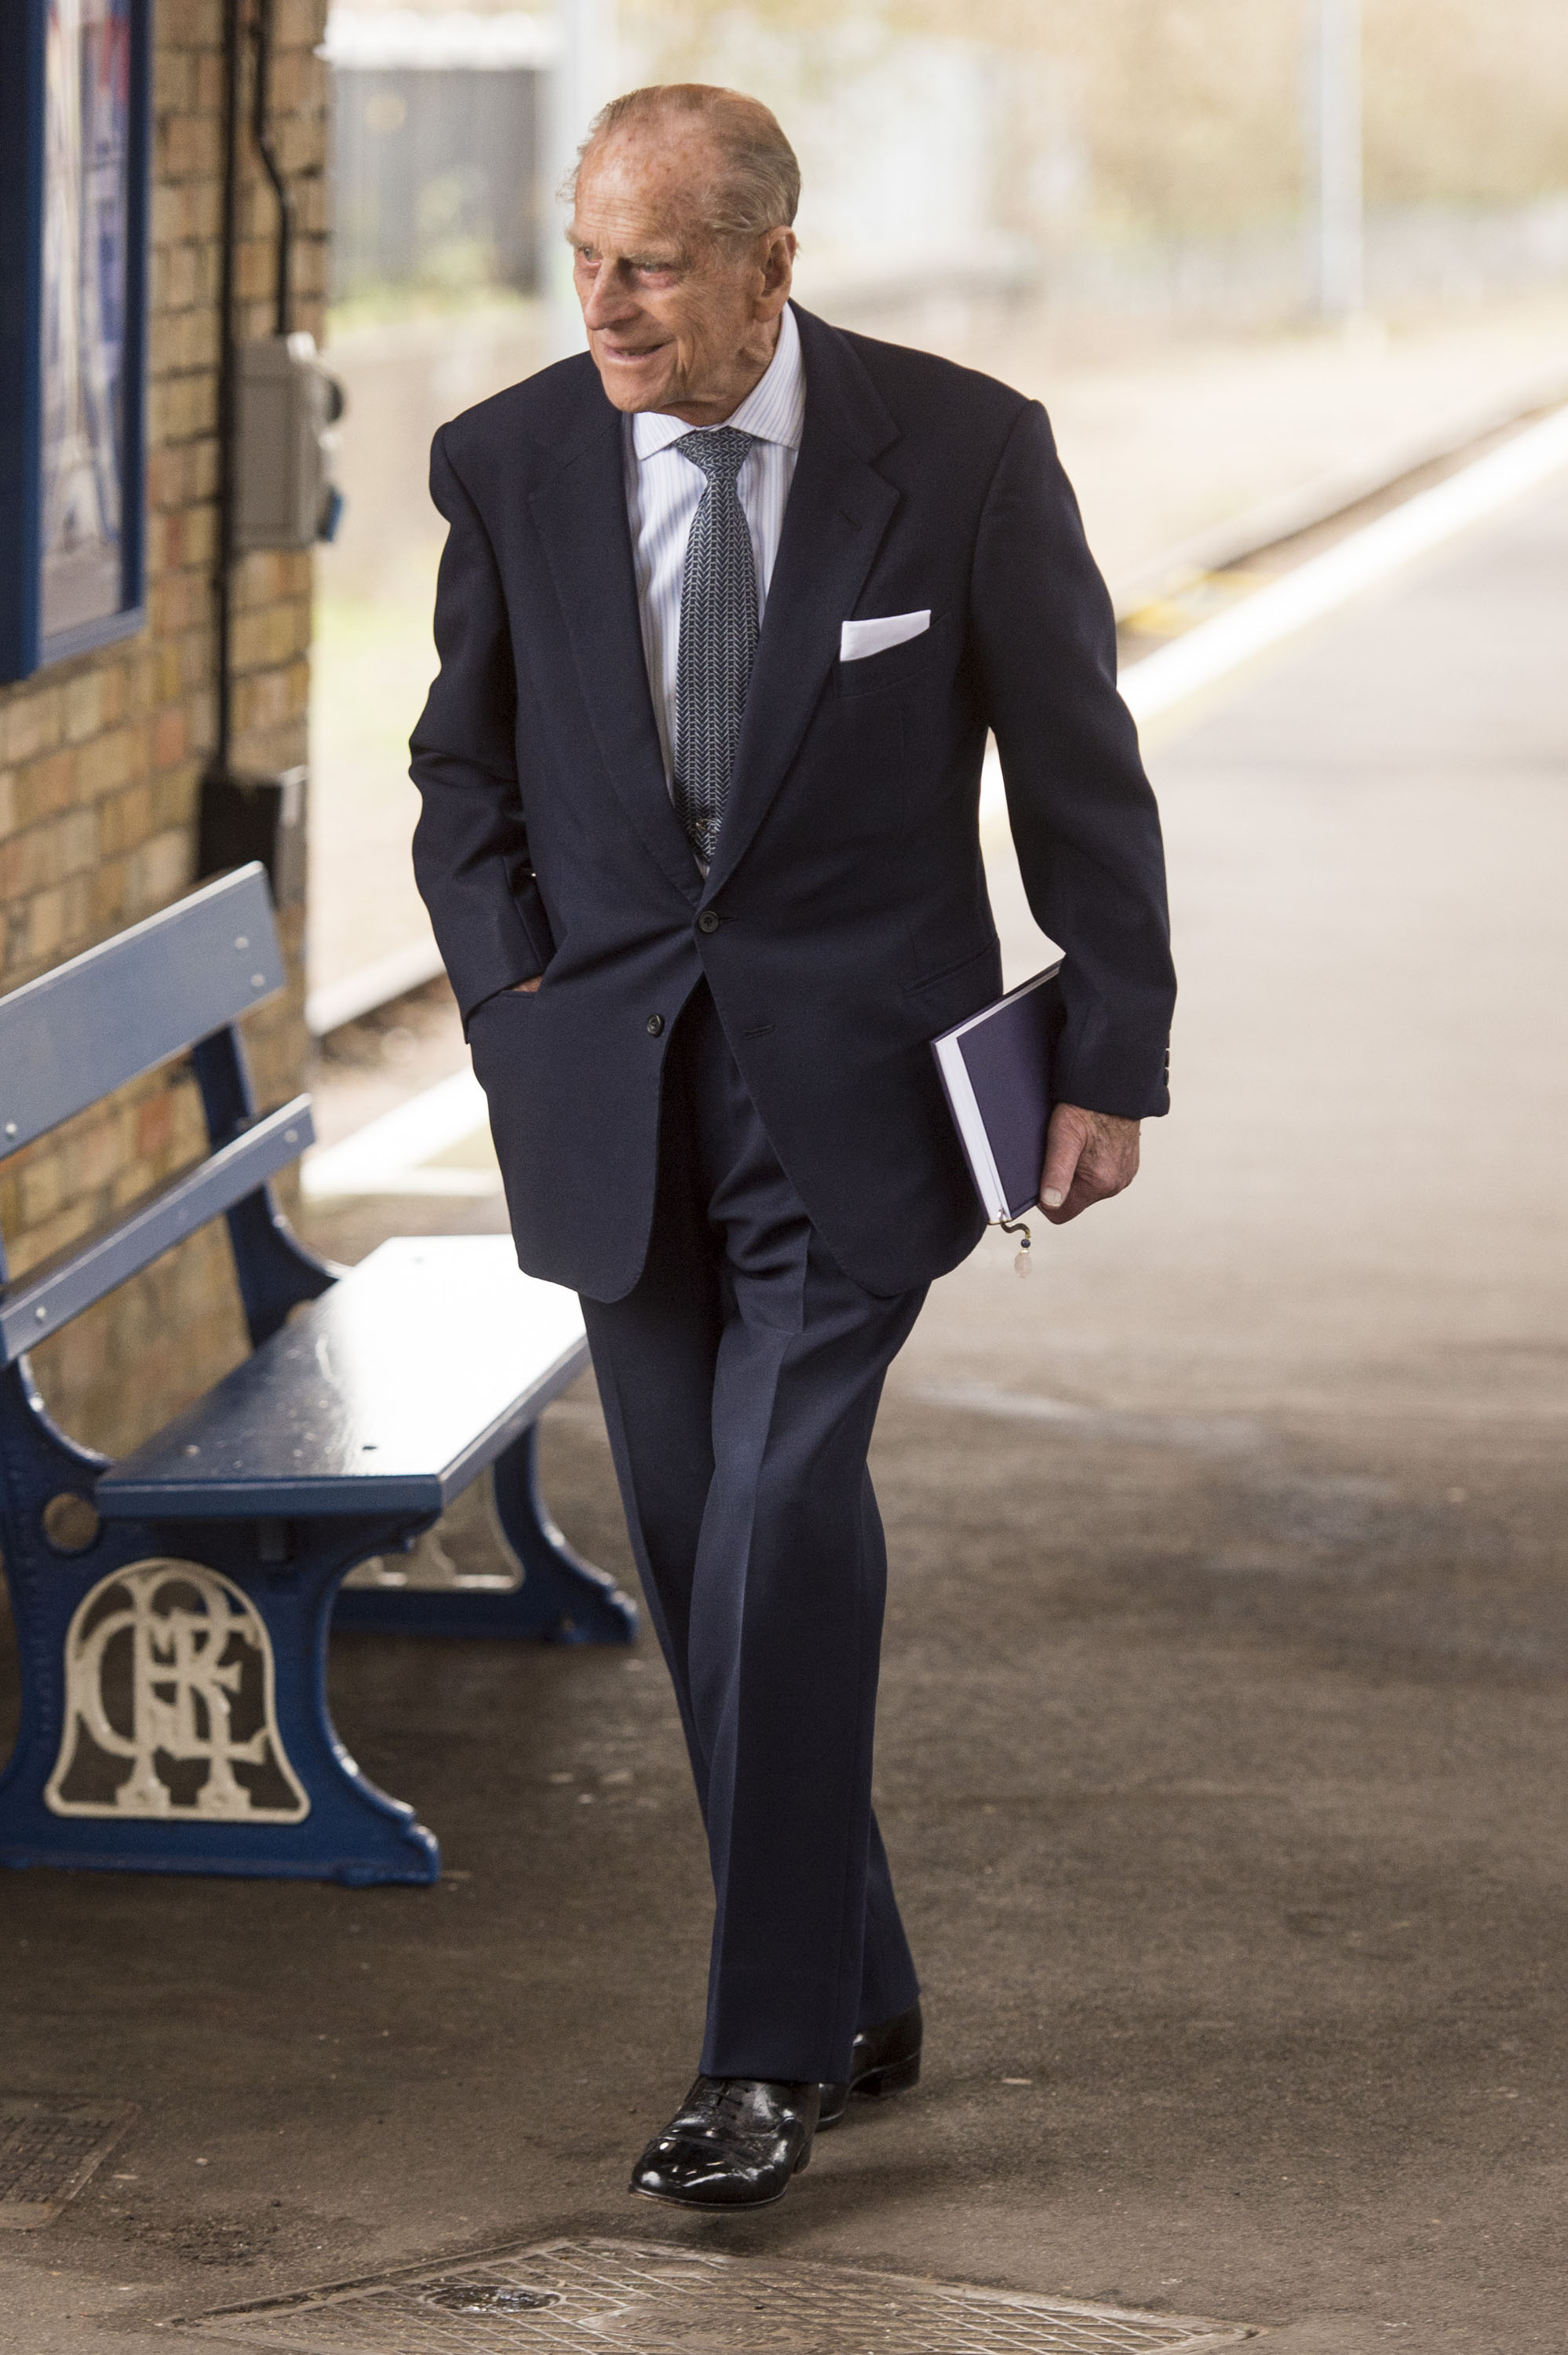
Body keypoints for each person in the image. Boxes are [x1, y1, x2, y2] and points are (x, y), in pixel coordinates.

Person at [410, 82, 1175, 2211]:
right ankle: (861, 1976)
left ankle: (763, 2063)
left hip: (858, 1094)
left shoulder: (966, 451)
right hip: (609, 1092)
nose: (607, 306)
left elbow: (1079, 772)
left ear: (773, 265)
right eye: (586, 260)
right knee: (696, 1553)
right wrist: (509, 1000)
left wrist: (1111, 1054)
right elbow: (460, 770)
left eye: (652, 268)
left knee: (771, 1517)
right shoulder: (508, 460)